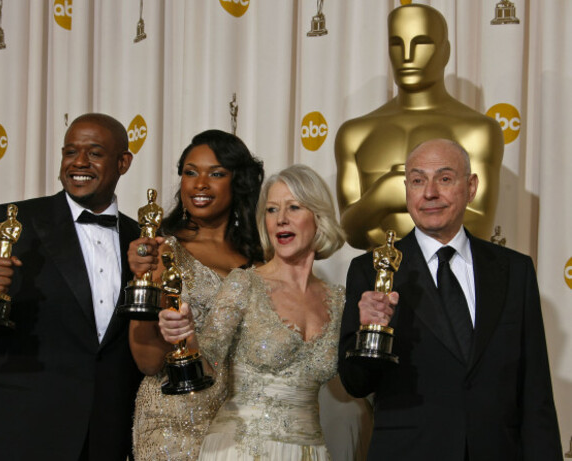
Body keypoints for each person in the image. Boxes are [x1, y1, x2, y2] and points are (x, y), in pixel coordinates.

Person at [0, 113, 156, 460]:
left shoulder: (141, 240)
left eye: (94, 153)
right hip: (21, 435)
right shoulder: (14, 221)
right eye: (70, 152)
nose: (79, 163)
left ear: (123, 162)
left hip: (106, 440)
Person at [338, 139, 562, 460]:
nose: (430, 193)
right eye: (417, 180)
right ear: (407, 190)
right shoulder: (371, 270)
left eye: (444, 178)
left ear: (470, 187)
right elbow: (355, 383)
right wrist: (367, 333)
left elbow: (535, 392)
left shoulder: (514, 270)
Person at [160, 164, 346, 460]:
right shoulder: (244, 283)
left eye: (293, 207)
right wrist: (187, 339)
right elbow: (207, 365)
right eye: (272, 210)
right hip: (242, 449)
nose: (281, 219)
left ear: (318, 217)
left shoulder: (339, 301)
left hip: (309, 451)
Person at [129, 129, 264, 460]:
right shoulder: (161, 252)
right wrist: (160, 302)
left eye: (216, 173)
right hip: (172, 423)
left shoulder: (263, 259)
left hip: (245, 424)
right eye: (190, 172)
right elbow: (146, 361)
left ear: (239, 182)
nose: (199, 184)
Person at [335, 3, 504, 250]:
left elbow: (479, 228)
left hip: (448, 277)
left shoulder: (478, 130)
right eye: (396, 44)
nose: (407, 55)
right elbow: (351, 232)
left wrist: (399, 199)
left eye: (421, 43)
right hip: (376, 280)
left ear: (445, 52)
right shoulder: (355, 134)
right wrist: (381, 196)